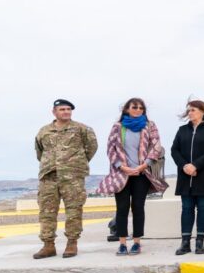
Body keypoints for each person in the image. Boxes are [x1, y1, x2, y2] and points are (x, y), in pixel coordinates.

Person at [97, 98, 168, 256]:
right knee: (122, 208)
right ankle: (122, 244)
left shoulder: (149, 126)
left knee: (138, 207)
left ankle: (137, 242)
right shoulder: (118, 127)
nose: (138, 110)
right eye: (134, 107)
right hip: (121, 174)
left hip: (142, 173)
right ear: (127, 109)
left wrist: (144, 165)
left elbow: (156, 147)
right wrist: (122, 167)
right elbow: (110, 149)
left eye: (141, 108)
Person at [33, 99, 98, 259]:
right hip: (49, 176)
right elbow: (39, 152)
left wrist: (76, 163)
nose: (66, 112)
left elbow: (92, 147)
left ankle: (72, 243)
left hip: (72, 177)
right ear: (54, 112)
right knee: (47, 212)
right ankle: (48, 245)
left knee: (74, 211)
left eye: (69, 109)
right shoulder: (44, 131)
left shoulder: (82, 129)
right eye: (62, 109)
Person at [171, 100, 204, 255]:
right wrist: (185, 166)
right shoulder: (182, 130)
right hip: (185, 176)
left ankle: (200, 242)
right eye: (189, 110)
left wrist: (196, 165)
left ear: (202, 112)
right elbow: (174, 150)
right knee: (186, 208)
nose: (190, 113)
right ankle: (185, 242)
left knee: (203, 208)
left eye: (193, 110)